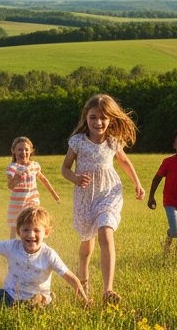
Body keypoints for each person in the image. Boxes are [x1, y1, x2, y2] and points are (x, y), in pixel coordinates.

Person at [61, 93, 144, 306]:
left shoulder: (113, 141)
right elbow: (65, 168)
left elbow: (124, 161)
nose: (98, 122)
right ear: (85, 118)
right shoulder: (77, 142)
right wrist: (74, 178)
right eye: (93, 117)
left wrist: (137, 183)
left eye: (103, 118)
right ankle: (83, 281)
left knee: (106, 234)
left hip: (108, 194)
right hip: (85, 198)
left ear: (110, 119)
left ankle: (108, 290)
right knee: (86, 246)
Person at [0, 206, 91, 307]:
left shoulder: (49, 255)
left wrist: (84, 299)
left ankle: (39, 303)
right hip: (9, 295)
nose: (31, 235)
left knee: (38, 300)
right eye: (26, 230)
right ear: (18, 232)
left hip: (37, 298)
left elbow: (69, 277)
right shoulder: (12, 246)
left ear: (46, 233)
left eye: (36, 230)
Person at [4, 136, 61, 240]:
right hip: (17, 203)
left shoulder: (34, 165)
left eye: (26, 149)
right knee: (14, 227)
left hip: (32, 201)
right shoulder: (12, 167)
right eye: (20, 149)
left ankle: (34, 242)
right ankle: (12, 247)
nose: (23, 152)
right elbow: (10, 185)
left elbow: (43, 180)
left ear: (31, 151)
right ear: (13, 151)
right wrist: (16, 178)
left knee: (33, 221)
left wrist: (55, 195)